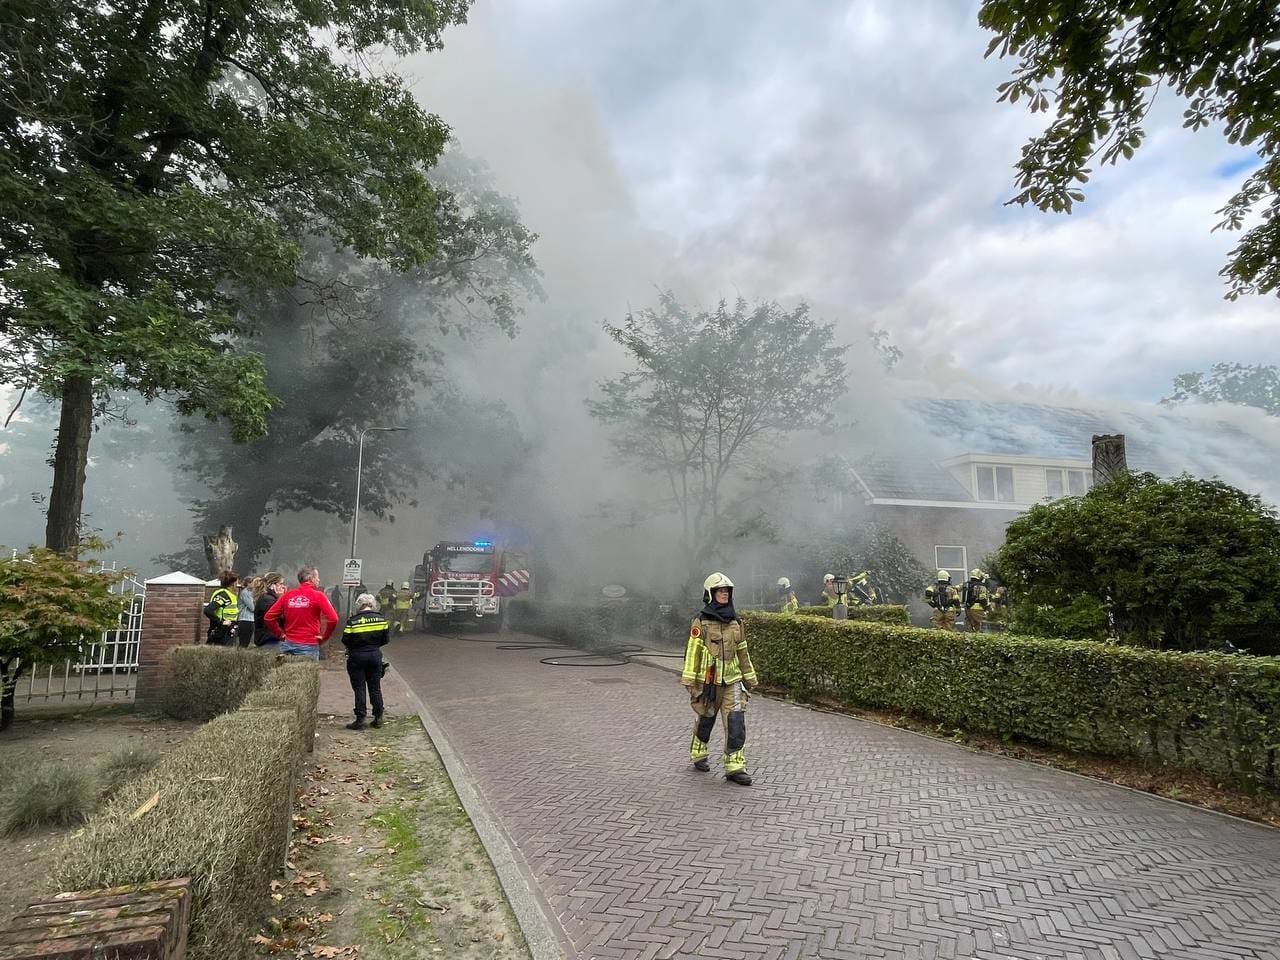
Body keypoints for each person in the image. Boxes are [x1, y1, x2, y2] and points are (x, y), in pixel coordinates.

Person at [681, 572, 759, 786]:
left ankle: (735, 767)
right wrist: (690, 680)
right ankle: (698, 751)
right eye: (720, 591)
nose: (724, 594)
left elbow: (743, 652)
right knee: (706, 717)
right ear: (710, 593)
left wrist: (750, 678)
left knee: (736, 723)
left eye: (727, 591)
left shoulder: (736, 621)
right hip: (709, 682)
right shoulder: (701, 621)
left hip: (732, 680)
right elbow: (693, 650)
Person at [264, 566, 340, 659]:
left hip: (288, 644)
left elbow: (268, 617)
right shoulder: (318, 596)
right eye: (317, 577)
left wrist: (280, 634)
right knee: (307, 672)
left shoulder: (288, 595)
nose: (319, 580)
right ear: (311, 579)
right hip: (308, 645)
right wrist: (324, 637)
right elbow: (333, 618)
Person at [341, 593, 391, 730]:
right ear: (372, 605)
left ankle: (360, 719)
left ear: (359, 605)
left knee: (359, 687)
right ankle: (378, 717)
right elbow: (386, 639)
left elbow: (345, 640)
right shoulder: (381, 619)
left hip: (357, 657)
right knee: (375, 687)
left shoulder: (353, 621)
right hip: (375, 656)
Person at [203, 570, 240, 646]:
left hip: (228, 631)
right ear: (232, 583)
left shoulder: (229, 594)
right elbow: (208, 610)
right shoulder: (223, 595)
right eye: (236, 582)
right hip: (220, 632)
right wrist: (221, 622)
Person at [254, 573, 286, 649]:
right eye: (281, 584)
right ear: (272, 585)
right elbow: (281, 618)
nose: (283, 587)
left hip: (270, 639)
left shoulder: (268, 598)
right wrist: (281, 598)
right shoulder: (268, 600)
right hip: (270, 640)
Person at [235, 577, 257, 648]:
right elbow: (252, 608)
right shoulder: (245, 593)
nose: (254, 585)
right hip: (245, 619)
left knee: (246, 642)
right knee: (243, 643)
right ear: (248, 583)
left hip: (250, 619)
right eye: (252, 583)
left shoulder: (250, 593)